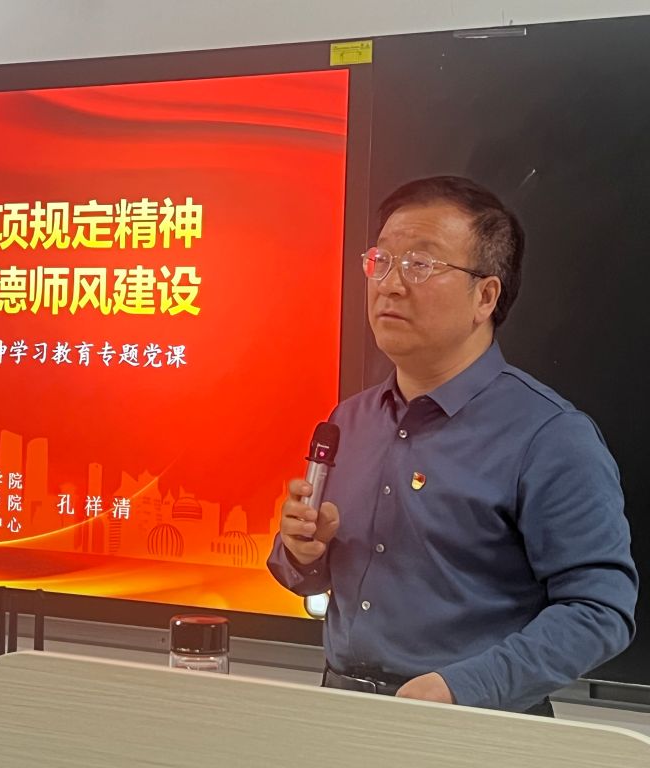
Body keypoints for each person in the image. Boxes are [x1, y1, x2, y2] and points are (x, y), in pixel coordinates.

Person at [268, 175, 637, 715]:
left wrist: (464, 688)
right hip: (342, 710)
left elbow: (599, 610)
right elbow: (307, 575)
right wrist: (301, 553)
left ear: (485, 296)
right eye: (381, 261)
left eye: (420, 264)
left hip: (474, 724)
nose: (390, 285)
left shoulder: (550, 436)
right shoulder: (350, 420)